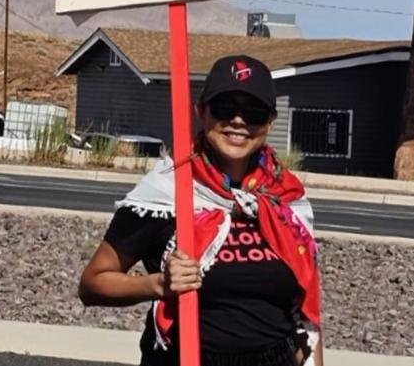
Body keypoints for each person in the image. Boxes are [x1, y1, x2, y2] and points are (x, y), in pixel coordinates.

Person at [79, 55, 325, 366]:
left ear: (270, 123)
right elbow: (92, 284)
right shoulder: (167, 191)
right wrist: (159, 284)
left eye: (254, 112)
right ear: (201, 111)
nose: (238, 121)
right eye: (224, 108)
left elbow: (306, 309)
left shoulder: (286, 199)